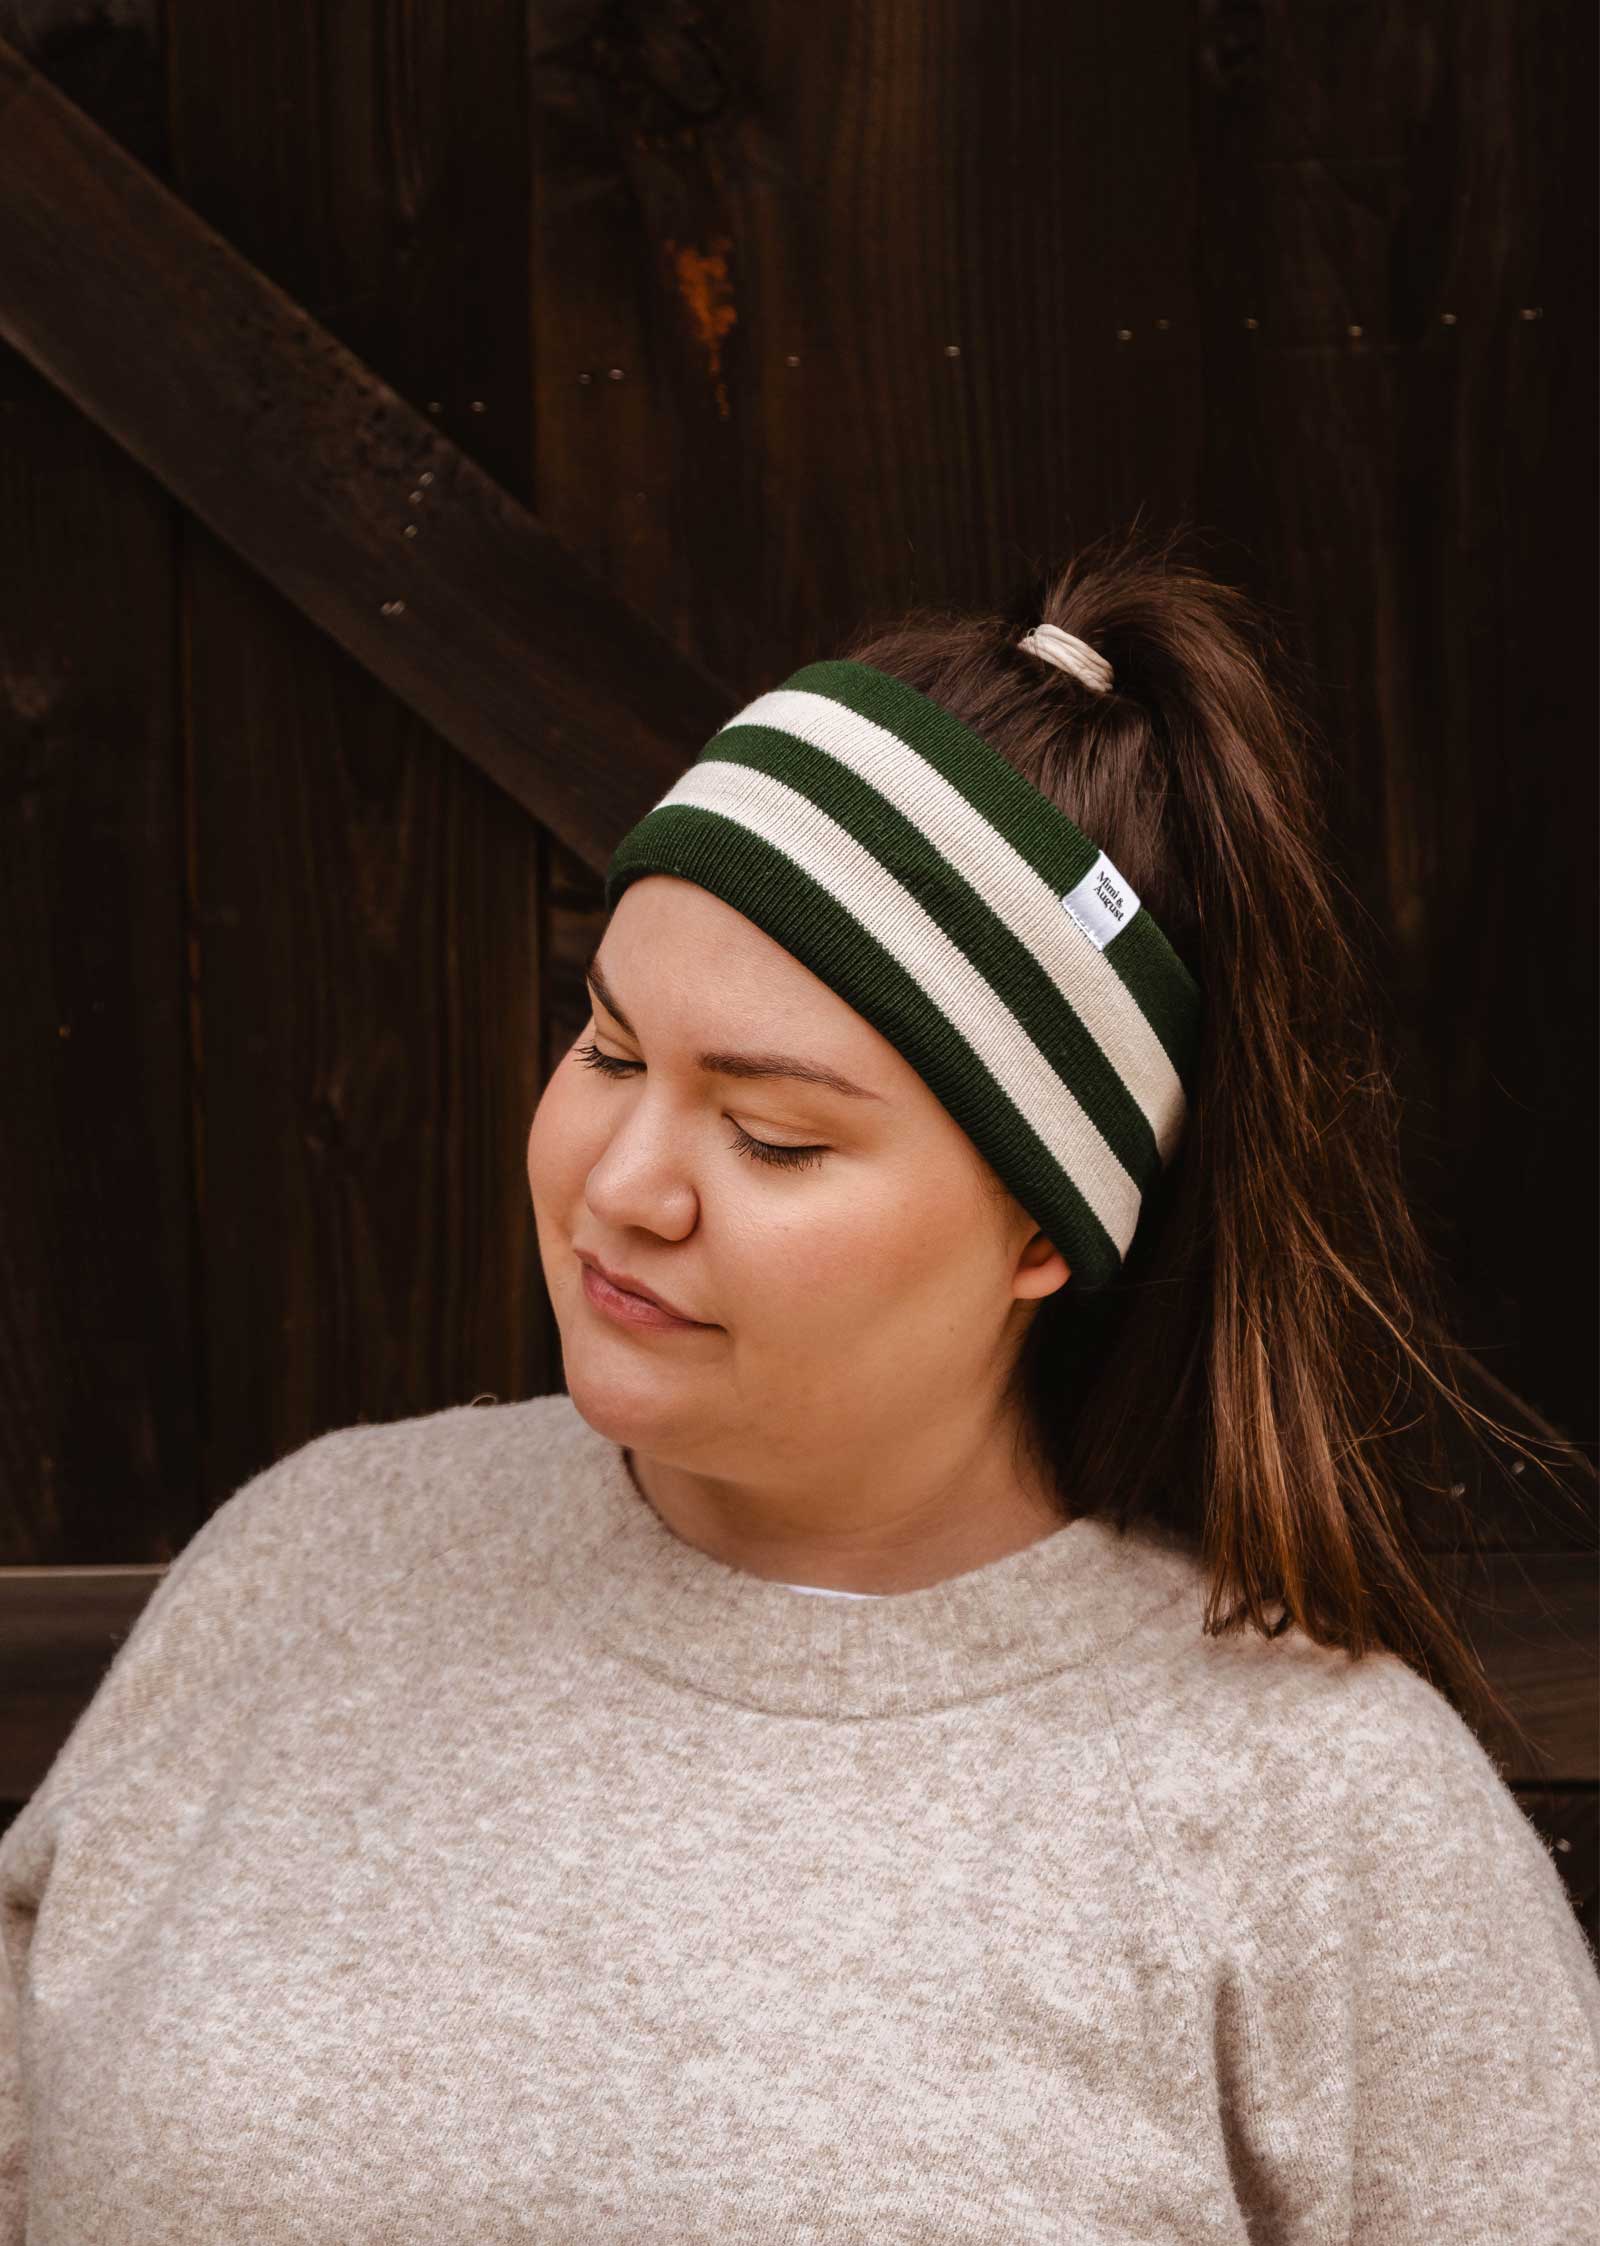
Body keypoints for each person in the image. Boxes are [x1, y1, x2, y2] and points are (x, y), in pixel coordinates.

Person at [2, 524, 1596, 2243]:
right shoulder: (313, 1561)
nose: (625, 1182)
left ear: (1041, 1231)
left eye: (771, 1135)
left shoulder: (1324, 1817)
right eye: (607, 1044)